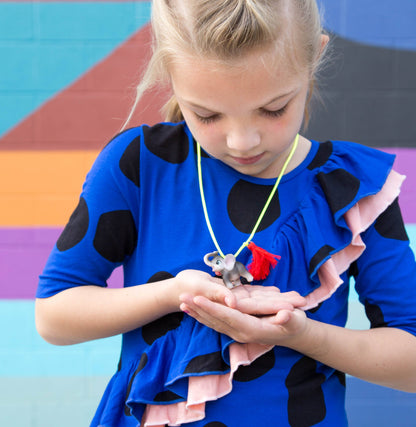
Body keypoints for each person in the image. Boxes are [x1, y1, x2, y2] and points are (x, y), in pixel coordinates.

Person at [35, 0, 416, 426]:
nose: (242, 141)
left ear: (315, 57)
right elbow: (55, 316)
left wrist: (307, 335)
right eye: (207, 114)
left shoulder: (354, 188)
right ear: (171, 74)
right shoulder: (140, 166)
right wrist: (173, 293)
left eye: (273, 109)